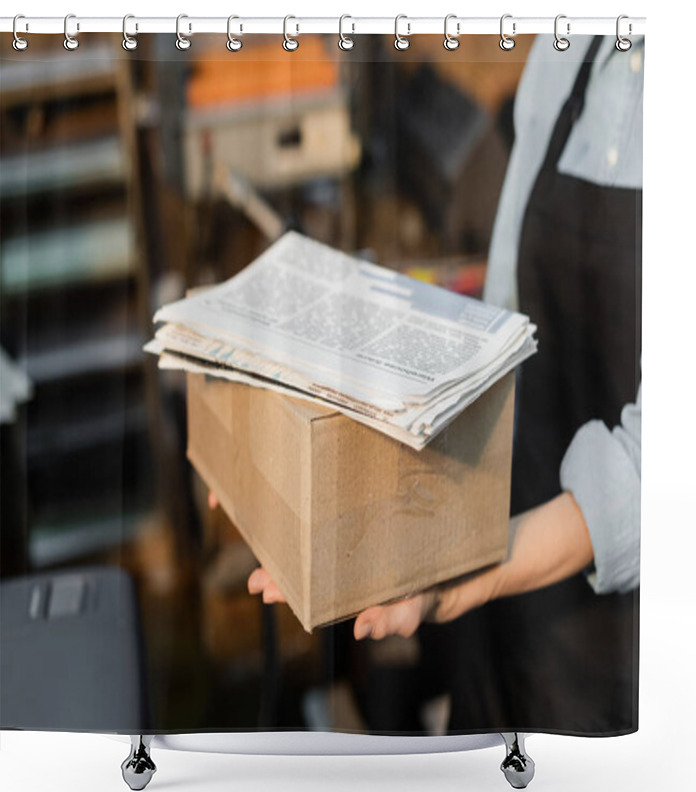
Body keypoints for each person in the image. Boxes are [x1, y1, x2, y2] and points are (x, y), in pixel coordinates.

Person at [222, 31, 644, 733]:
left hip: (627, 659)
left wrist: (464, 574)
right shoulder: (567, 51)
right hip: (502, 610)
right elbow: (504, 324)